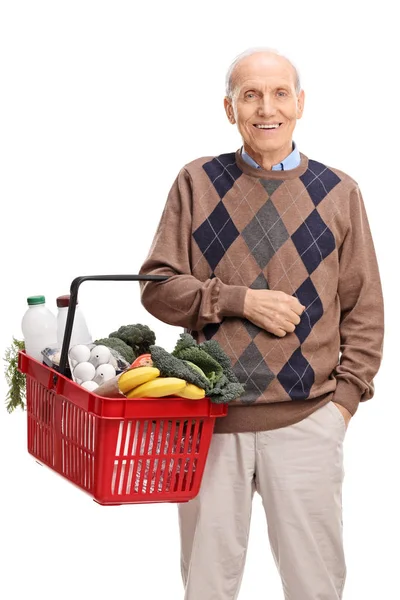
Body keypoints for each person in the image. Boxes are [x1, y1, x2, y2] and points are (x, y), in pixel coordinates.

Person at [138, 47, 384, 600]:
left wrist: (342, 404)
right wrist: (239, 301)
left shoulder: (339, 192)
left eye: (278, 94)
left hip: (307, 423)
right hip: (209, 423)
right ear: (229, 108)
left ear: (300, 104)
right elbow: (157, 288)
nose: (265, 108)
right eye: (250, 95)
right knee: (206, 588)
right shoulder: (197, 181)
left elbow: (364, 310)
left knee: (315, 587)